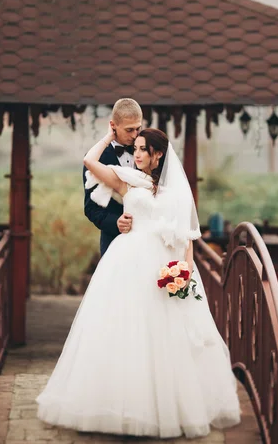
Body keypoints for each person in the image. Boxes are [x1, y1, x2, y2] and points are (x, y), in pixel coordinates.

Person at [37, 126, 240, 438]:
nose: (137, 153)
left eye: (144, 148)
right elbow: (89, 161)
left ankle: (166, 407)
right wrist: (109, 136)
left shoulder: (176, 194)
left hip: (162, 266)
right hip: (127, 261)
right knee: (122, 329)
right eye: (136, 148)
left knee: (164, 332)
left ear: (158, 154)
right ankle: (116, 405)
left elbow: (186, 237)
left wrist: (184, 269)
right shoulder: (128, 182)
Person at [83, 98, 142, 256]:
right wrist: (116, 222)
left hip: (148, 240)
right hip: (114, 243)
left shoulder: (147, 150)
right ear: (113, 126)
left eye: (138, 129)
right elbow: (91, 209)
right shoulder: (97, 158)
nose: (135, 135)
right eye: (129, 130)